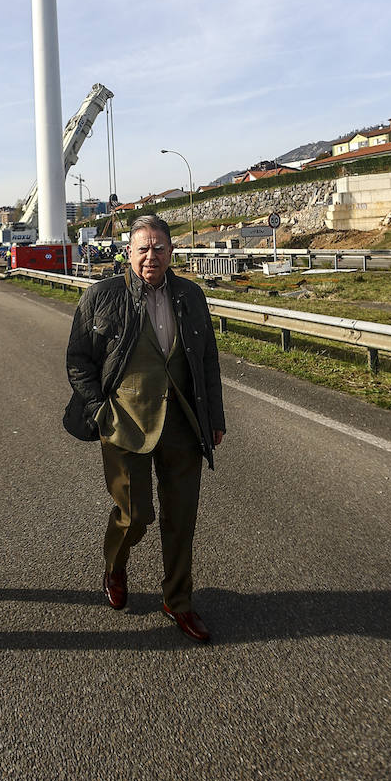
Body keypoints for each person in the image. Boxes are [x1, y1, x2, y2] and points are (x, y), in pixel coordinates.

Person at [64, 214, 226, 643]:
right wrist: (100, 410)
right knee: (135, 516)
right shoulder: (102, 296)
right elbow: (78, 361)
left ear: (171, 253)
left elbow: (206, 359)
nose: (150, 256)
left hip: (182, 424)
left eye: (159, 248)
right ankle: (115, 567)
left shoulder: (191, 296)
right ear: (128, 254)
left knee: (181, 519)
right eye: (142, 249)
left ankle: (178, 600)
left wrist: (215, 419)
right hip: (124, 423)